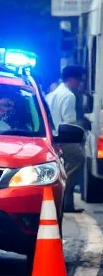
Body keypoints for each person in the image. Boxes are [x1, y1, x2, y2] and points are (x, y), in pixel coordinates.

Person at [48, 64, 86, 214]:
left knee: (65, 168)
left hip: (54, 138)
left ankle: (67, 202)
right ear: (72, 79)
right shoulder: (69, 96)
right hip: (65, 139)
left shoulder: (53, 93)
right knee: (79, 158)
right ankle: (63, 197)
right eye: (80, 80)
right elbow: (69, 122)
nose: (80, 84)